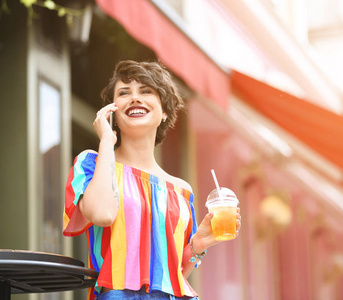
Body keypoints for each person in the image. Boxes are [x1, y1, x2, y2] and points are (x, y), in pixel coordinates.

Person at [62, 60, 241, 300]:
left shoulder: (181, 191)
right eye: (124, 93)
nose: (134, 98)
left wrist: (199, 243)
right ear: (113, 111)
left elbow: (172, 278)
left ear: (164, 111)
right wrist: (106, 141)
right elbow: (102, 214)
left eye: (146, 91)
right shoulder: (92, 165)